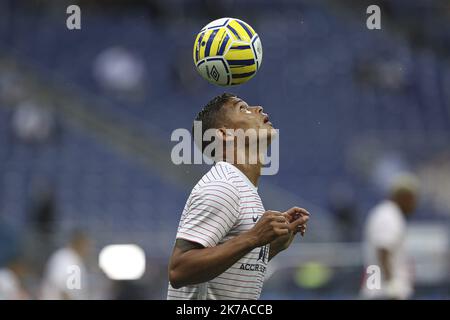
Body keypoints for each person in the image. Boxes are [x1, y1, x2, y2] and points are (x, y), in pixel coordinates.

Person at [167, 93, 310, 300]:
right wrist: (254, 237)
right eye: (242, 108)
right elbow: (179, 271)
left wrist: (269, 246)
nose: (258, 108)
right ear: (225, 134)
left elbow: (226, 267)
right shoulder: (223, 186)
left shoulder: (242, 187)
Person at [361, 174, 419, 300]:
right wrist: (392, 285)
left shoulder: (390, 213)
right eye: (413, 199)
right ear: (404, 197)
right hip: (383, 293)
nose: (414, 204)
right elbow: (383, 250)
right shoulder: (388, 215)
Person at [40, 231, 90, 300]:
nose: (87, 249)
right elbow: (59, 285)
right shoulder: (64, 257)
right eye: (86, 245)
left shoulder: (76, 259)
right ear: (79, 243)